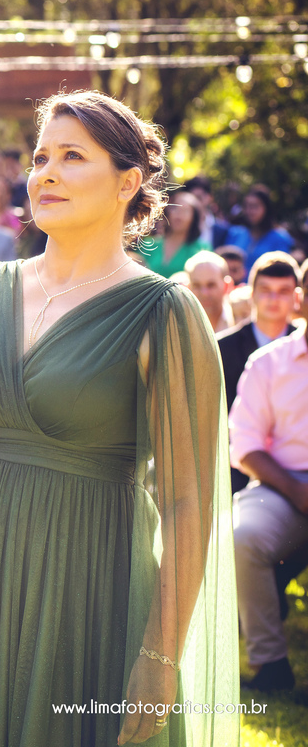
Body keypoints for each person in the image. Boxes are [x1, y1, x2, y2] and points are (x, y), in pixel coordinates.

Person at [0, 90, 237, 746]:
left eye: (71, 156)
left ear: (128, 184)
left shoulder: (164, 316)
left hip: (88, 588)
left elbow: (186, 501)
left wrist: (159, 656)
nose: (46, 173)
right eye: (40, 157)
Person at [230, 321, 308, 693]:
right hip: (282, 485)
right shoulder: (268, 362)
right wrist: (295, 489)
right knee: (243, 535)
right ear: (301, 298)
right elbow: (244, 442)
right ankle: (270, 664)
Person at [216, 252, 302, 489]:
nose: (273, 299)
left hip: (296, 467)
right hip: (234, 473)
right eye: (265, 290)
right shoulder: (221, 349)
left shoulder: (303, 344)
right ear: (251, 293)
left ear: (297, 297)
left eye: (283, 291)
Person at [225, 185, 296, 274]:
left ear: (266, 208)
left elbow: (282, 270)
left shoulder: (280, 237)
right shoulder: (236, 233)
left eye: (254, 206)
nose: (249, 211)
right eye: (246, 206)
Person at [143, 190, 209, 278]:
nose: (179, 215)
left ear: (194, 218)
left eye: (185, 211)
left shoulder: (201, 249)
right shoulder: (148, 244)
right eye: (175, 208)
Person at [185, 250, 235, 333]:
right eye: (196, 285)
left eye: (211, 285)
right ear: (188, 287)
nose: (204, 293)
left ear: (226, 286)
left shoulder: (240, 320)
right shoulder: (179, 326)